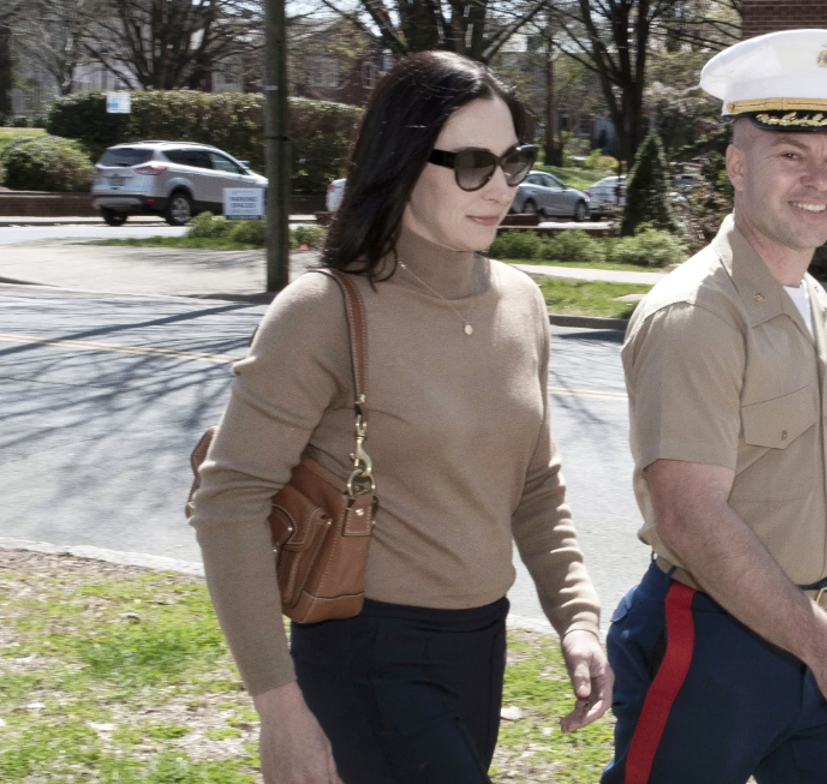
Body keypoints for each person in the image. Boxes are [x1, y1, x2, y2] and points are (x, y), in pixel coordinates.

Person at [188, 51, 611, 784]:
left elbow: (535, 485)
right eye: (473, 164)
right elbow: (228, 502)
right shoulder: (323, 311)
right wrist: (278, 707)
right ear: (405, 160)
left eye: (515, 162)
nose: (502, 187)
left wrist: (577, 616)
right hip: (364, 651)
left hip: (480, 643)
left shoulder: (522, 302)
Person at [602, 29, 827, 784]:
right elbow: (691, 518)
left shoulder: (809, 296)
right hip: (709, 638)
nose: (821, 178)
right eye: (790, 154)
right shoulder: (695, 314)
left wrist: (824, 632)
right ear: (737, 166)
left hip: (810, 624)